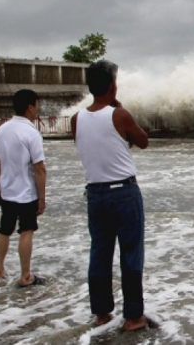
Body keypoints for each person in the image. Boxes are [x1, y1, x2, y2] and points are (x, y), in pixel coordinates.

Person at [70, 60, 149, 331]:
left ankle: (102, 313)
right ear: (112, 86)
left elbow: (96, 144)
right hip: (123, 193)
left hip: (95, 194)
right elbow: (143, 141)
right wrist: (121, 110)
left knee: (100, 253)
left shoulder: (76, 119)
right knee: (131, 254)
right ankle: (133, 317)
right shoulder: (120, 115)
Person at [0, 89, 47, 288]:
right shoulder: (31, 133)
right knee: (26, 231)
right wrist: (42, 198)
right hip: (26, 193)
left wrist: (0, 189)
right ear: (30, 107)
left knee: (4, 230)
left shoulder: (2, 130)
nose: (38, 109)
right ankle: (25, 276)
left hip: (7, 191)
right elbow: (39, 168)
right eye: (37, 105)